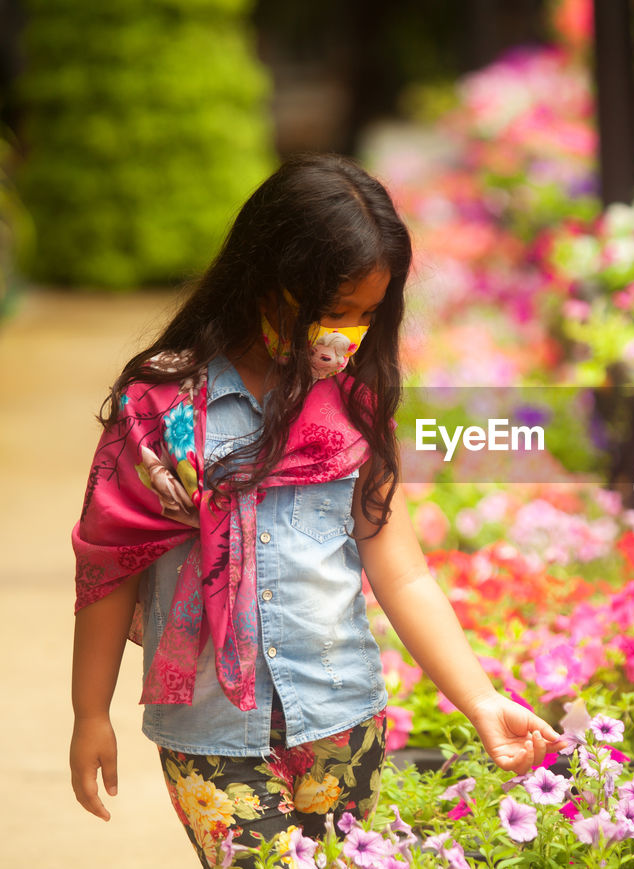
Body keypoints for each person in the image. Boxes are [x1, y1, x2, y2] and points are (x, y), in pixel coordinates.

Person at [69, 153, 562, 867]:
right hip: (210, 735)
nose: (348, 334)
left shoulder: (355, 405)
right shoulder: (164, 411)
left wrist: (481, 698)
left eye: (367, 314)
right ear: (267, 279)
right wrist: (90, 711)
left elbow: (403, 574)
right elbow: (110, 563)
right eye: (334, 312)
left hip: (343, 721)